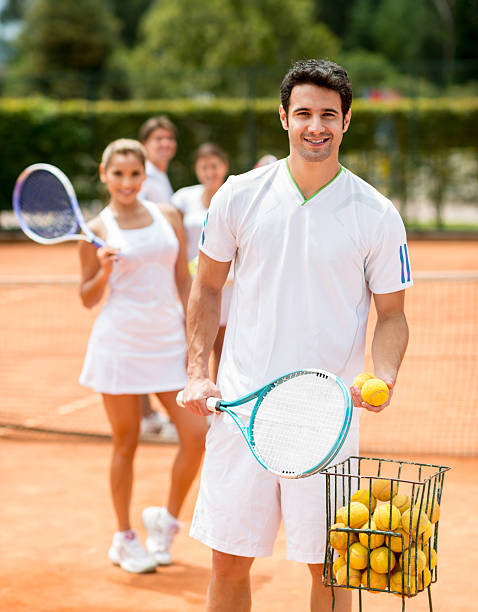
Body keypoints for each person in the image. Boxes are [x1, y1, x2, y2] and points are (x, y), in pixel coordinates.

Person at [180, 59, 412, 611]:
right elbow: (207, 288)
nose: (316, 126)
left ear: (346, 121)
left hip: (326, 418)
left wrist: (384, 374)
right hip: (242, 407)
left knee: (332, 570)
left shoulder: (377, 215)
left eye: (328, 114)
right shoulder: (237, 195)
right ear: (283, 117)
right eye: (303, 112)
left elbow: (393, 315)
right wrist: (197, 372)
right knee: (228, 562)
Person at [78, 138, 208, 574]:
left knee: (196, 435)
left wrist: (195, 344)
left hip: (167, 342)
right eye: (118, 174)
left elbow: (183, 283)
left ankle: (165, 521)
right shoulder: (95, 229)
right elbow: (86, 297)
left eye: (135, 174)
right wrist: (105, 269)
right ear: (104, 175)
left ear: (144, 176)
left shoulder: (168, 216)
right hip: (119, 345)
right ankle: (123, 537)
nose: (127, 182)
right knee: (125, 444)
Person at [171, 143, 230, 381]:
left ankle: (219, 405)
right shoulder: (183, 198)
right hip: (193, 284)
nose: (209, 172)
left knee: (223, 348)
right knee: (194, 348)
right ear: (197, 169)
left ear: (224, 167)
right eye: (204, 167)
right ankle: (195, 402)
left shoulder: (233, 195)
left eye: (214, 166)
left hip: (228, 284)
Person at [137, 115, 178, 436]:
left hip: (161, 275)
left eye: (168, 139)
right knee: (144, 347)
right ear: (145, 145)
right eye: (157, 139)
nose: (164, 144)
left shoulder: (160, 177)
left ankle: (148, 415)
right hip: (146, 279)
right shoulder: (145, 178)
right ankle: (146, 417)